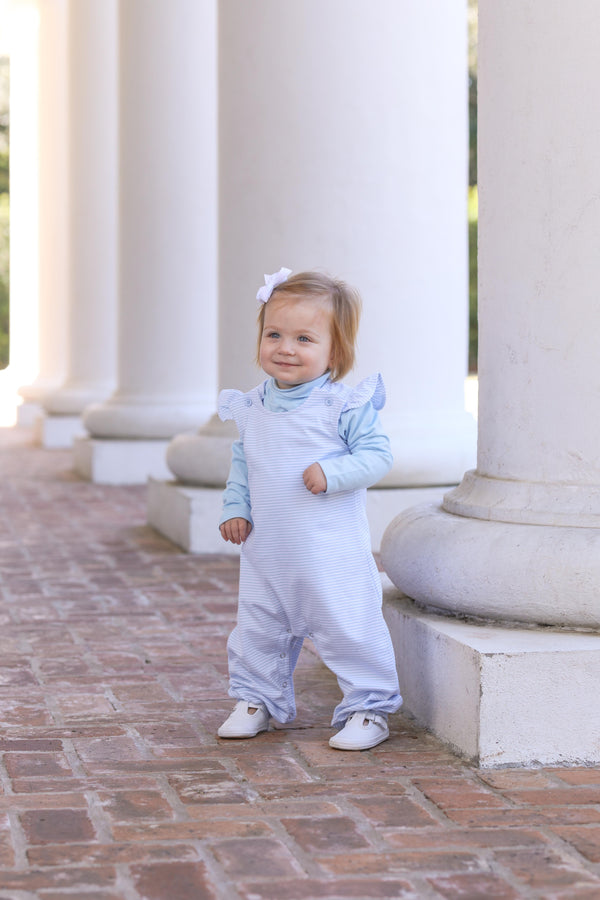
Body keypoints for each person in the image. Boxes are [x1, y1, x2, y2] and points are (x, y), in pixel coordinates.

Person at [217, 268, 402, 750]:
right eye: (273, 334)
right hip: (267, 552)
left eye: (304, 338)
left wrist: (332, 472)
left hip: (329, 552)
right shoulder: (253, 406)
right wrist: (236, 508)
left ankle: (369, 707)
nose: (286, 347)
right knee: (259, 627)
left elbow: (377, 455)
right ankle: (257, 697)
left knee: (346, 626)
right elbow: (244, 464)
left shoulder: (340, 405)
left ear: (334, 352)